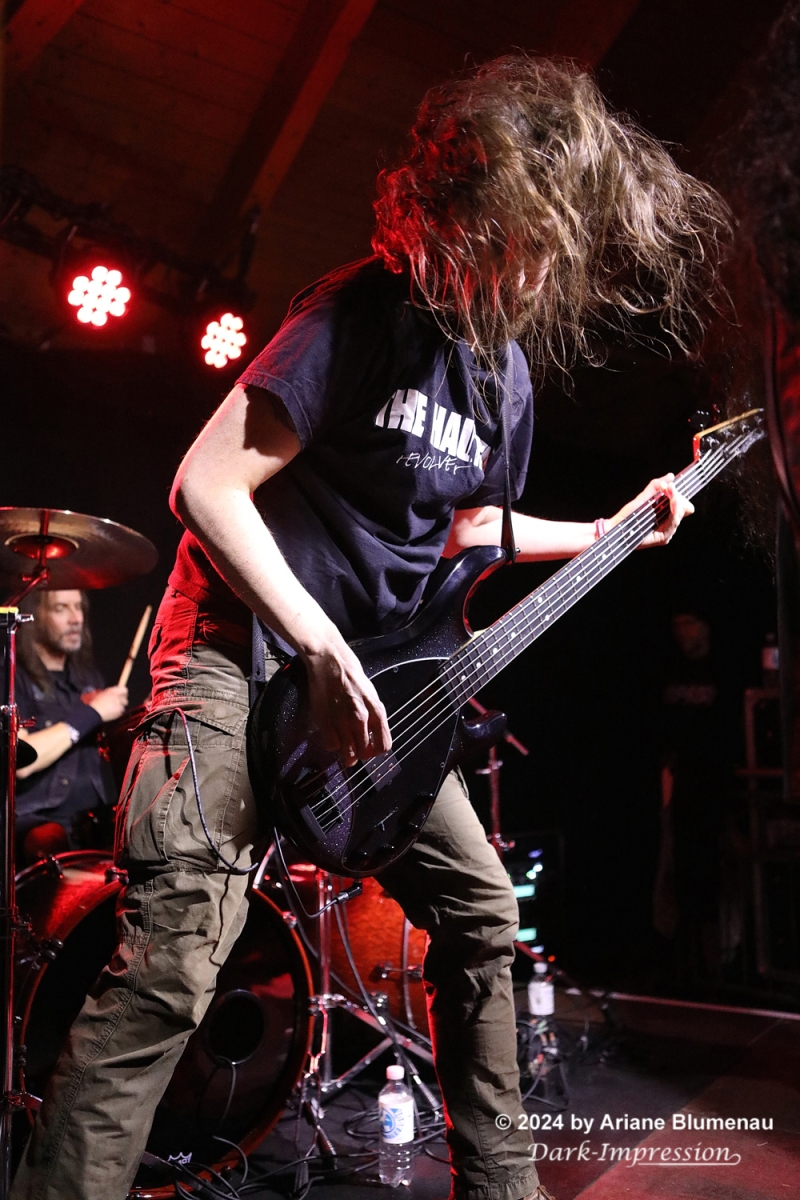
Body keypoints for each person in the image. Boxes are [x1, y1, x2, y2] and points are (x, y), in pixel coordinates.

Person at [12, 55, 728, 1200]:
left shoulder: (503, 377)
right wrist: (314, 643)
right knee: (174, 967)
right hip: (238, 653)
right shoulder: (356, 313)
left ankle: (502, 1189)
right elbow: (206, 484)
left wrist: (606, 528)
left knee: (481, 911)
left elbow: (462, 523)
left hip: (374, 678)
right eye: (518, 238)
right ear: (464, 216)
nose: (535, 267)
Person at [14, 589, 128, 862]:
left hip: (91, 823)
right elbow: (21, 760)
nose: (76, 618)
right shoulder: (14, 677)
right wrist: (92, 712)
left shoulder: (88, 679)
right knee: (48, 839)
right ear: (35, 616)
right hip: (38, 823)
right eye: (61, 608)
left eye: (78, 607)